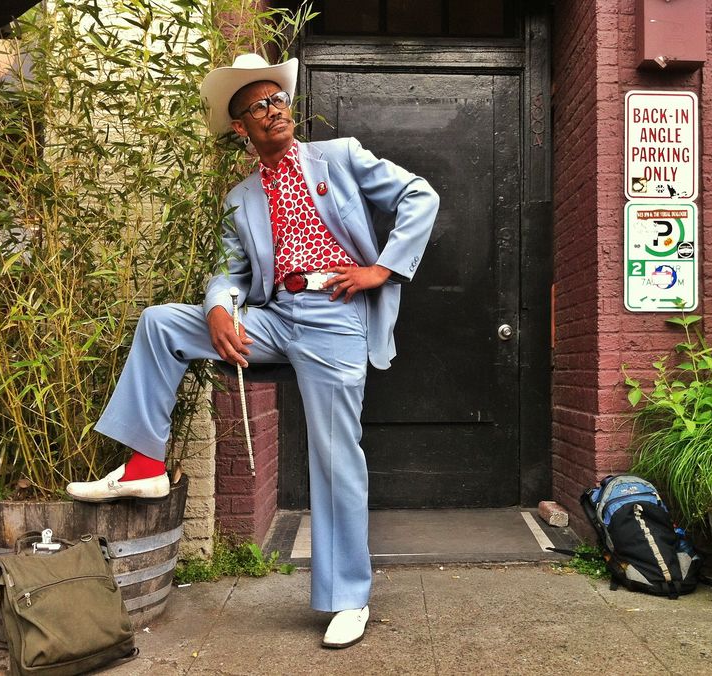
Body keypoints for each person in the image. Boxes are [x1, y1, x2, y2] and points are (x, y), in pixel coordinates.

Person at [67, 53, 439, 649]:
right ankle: (144, 466)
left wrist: (382, 270)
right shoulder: (240, 197)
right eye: (258, 107)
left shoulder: (339, 157)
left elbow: (420, 195)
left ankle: (348, 597)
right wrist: (218, 305)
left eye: (277, 100)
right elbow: (228, 270)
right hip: (272, 316)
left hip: (335, 316)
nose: (273, 111)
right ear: (240, 126)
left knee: (336, 454)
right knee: (162, 323)